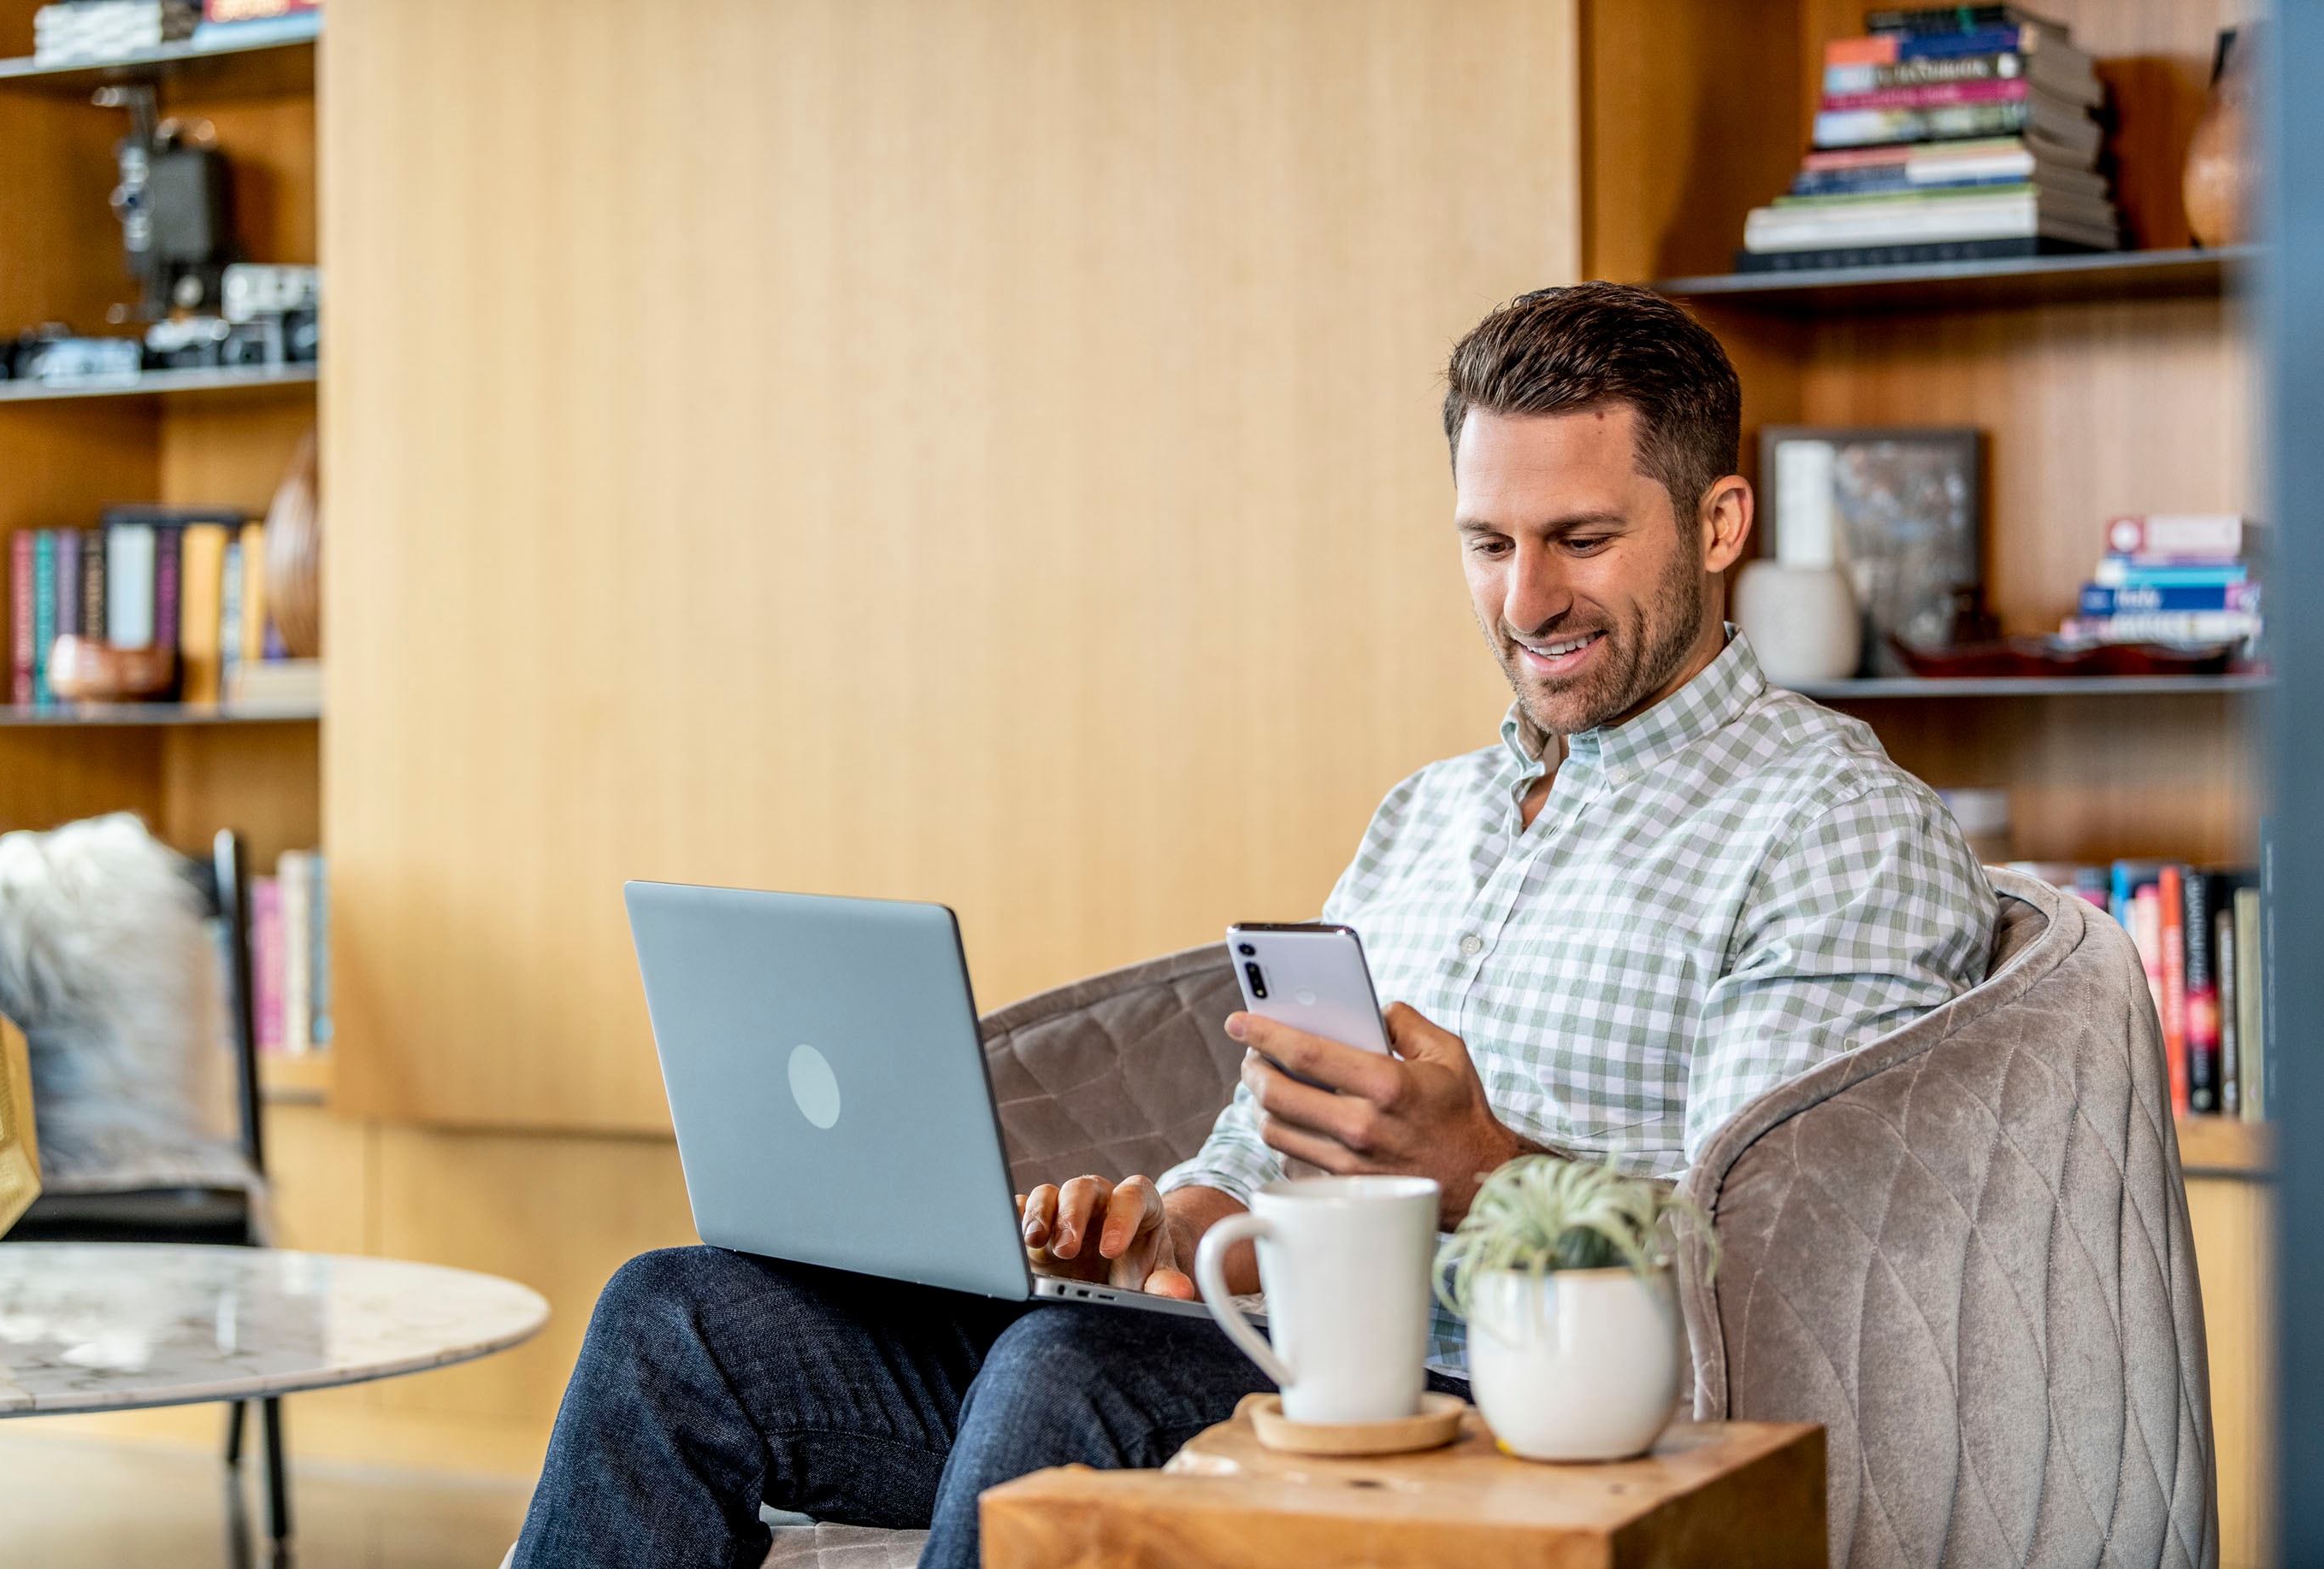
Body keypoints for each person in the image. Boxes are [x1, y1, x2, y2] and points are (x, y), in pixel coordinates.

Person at [510, 282, 1997, 1568]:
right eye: (1488, 544)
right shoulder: (1428, 814)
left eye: (1582, 538)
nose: (1527, 597)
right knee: (680, 1318)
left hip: (1509, 1407)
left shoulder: (1831, 828)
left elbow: (1774, 1282)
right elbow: (1245, 1164)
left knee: (1061, 1378)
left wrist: (1475, 1170)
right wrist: (1161, 1228)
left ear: (1720, 520)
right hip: (1263, 1347)